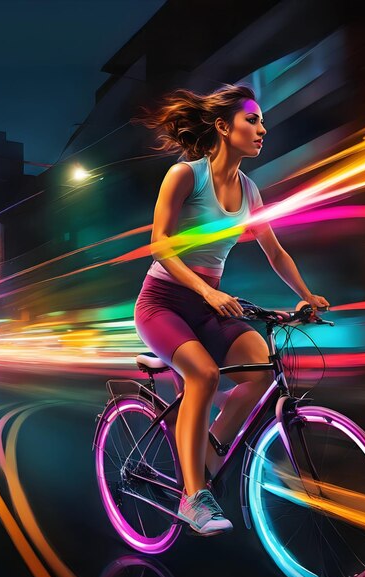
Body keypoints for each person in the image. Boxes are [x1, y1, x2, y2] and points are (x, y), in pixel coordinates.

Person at [134, 84, 329, 536]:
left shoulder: (249, 189)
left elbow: (275, 252)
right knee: (202, 375)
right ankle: (192, 497)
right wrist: (206, 292)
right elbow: (160, 245)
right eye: (252, 119)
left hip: (210, 305)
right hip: (163, 302)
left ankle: (209, 446)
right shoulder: (186, 175)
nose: (262, 128)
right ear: (223, 126)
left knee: (260, 370)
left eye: (262, 121)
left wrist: (306, 294)